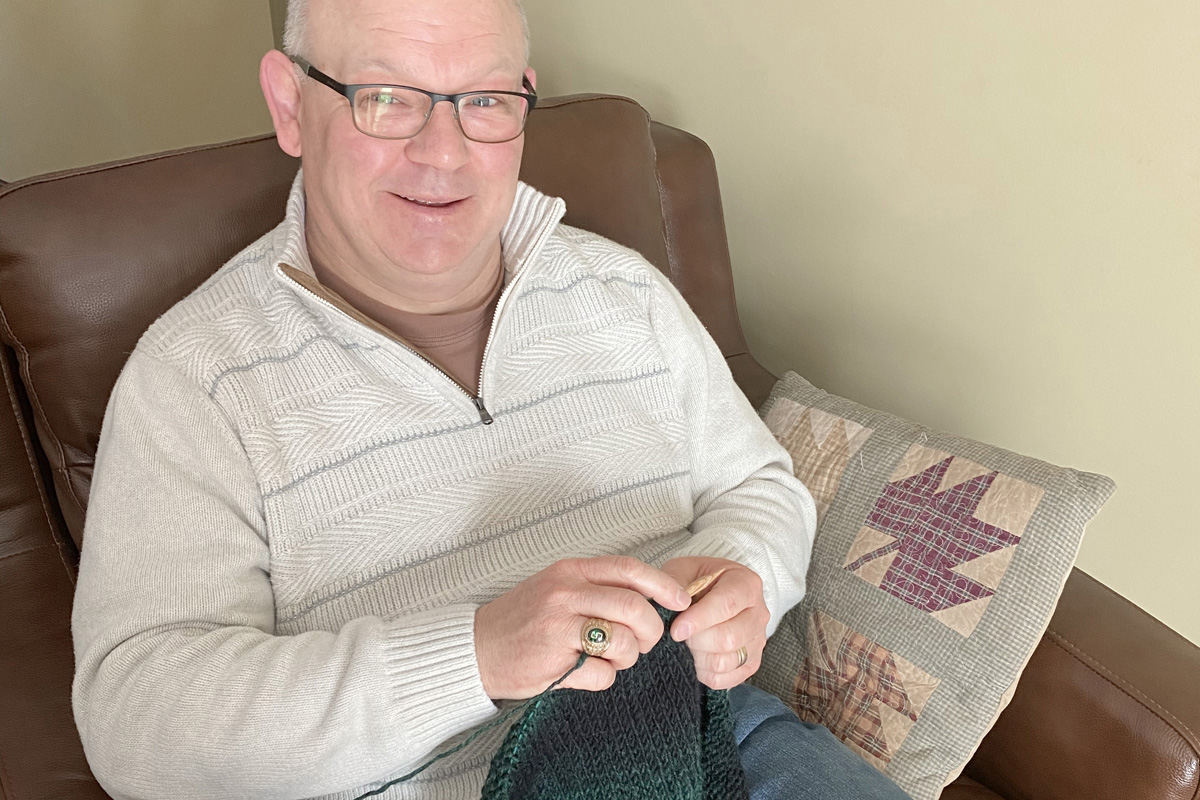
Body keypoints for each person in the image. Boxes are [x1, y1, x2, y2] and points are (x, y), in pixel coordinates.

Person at [70, 0, 911, 798]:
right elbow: (136, 720)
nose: (444, 152)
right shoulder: (194, 381)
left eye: (484, 100)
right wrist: (473, 656)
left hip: (718, 739)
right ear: (291, 104)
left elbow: (760, 488)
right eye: (387, 98)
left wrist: (742, 571)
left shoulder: (623, 290)